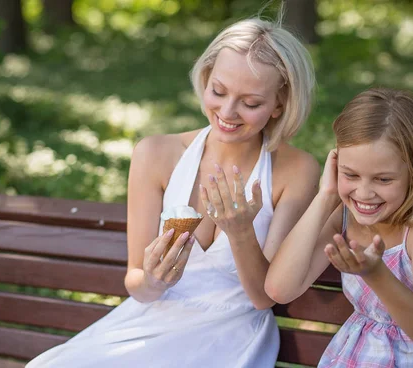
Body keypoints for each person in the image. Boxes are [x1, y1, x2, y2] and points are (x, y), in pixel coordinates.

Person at [26, 12, 319, 368]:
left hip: (230, 335)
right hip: (148, 323)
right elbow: (137, 285)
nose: (227, 111)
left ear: (280, 104)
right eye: (219, 91)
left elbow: (263, 298)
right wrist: (154, 278)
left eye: (251, 102)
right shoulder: (156, 154)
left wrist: (241, 233)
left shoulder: (296, 170)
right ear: (206, 77)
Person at [265, 87, 413, 367]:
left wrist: (376, 274)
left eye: (383, 180)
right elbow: (280, 289)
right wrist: (326, 196)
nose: (364, 193)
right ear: (336, 163)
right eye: (350, 174)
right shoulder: (343, 217)